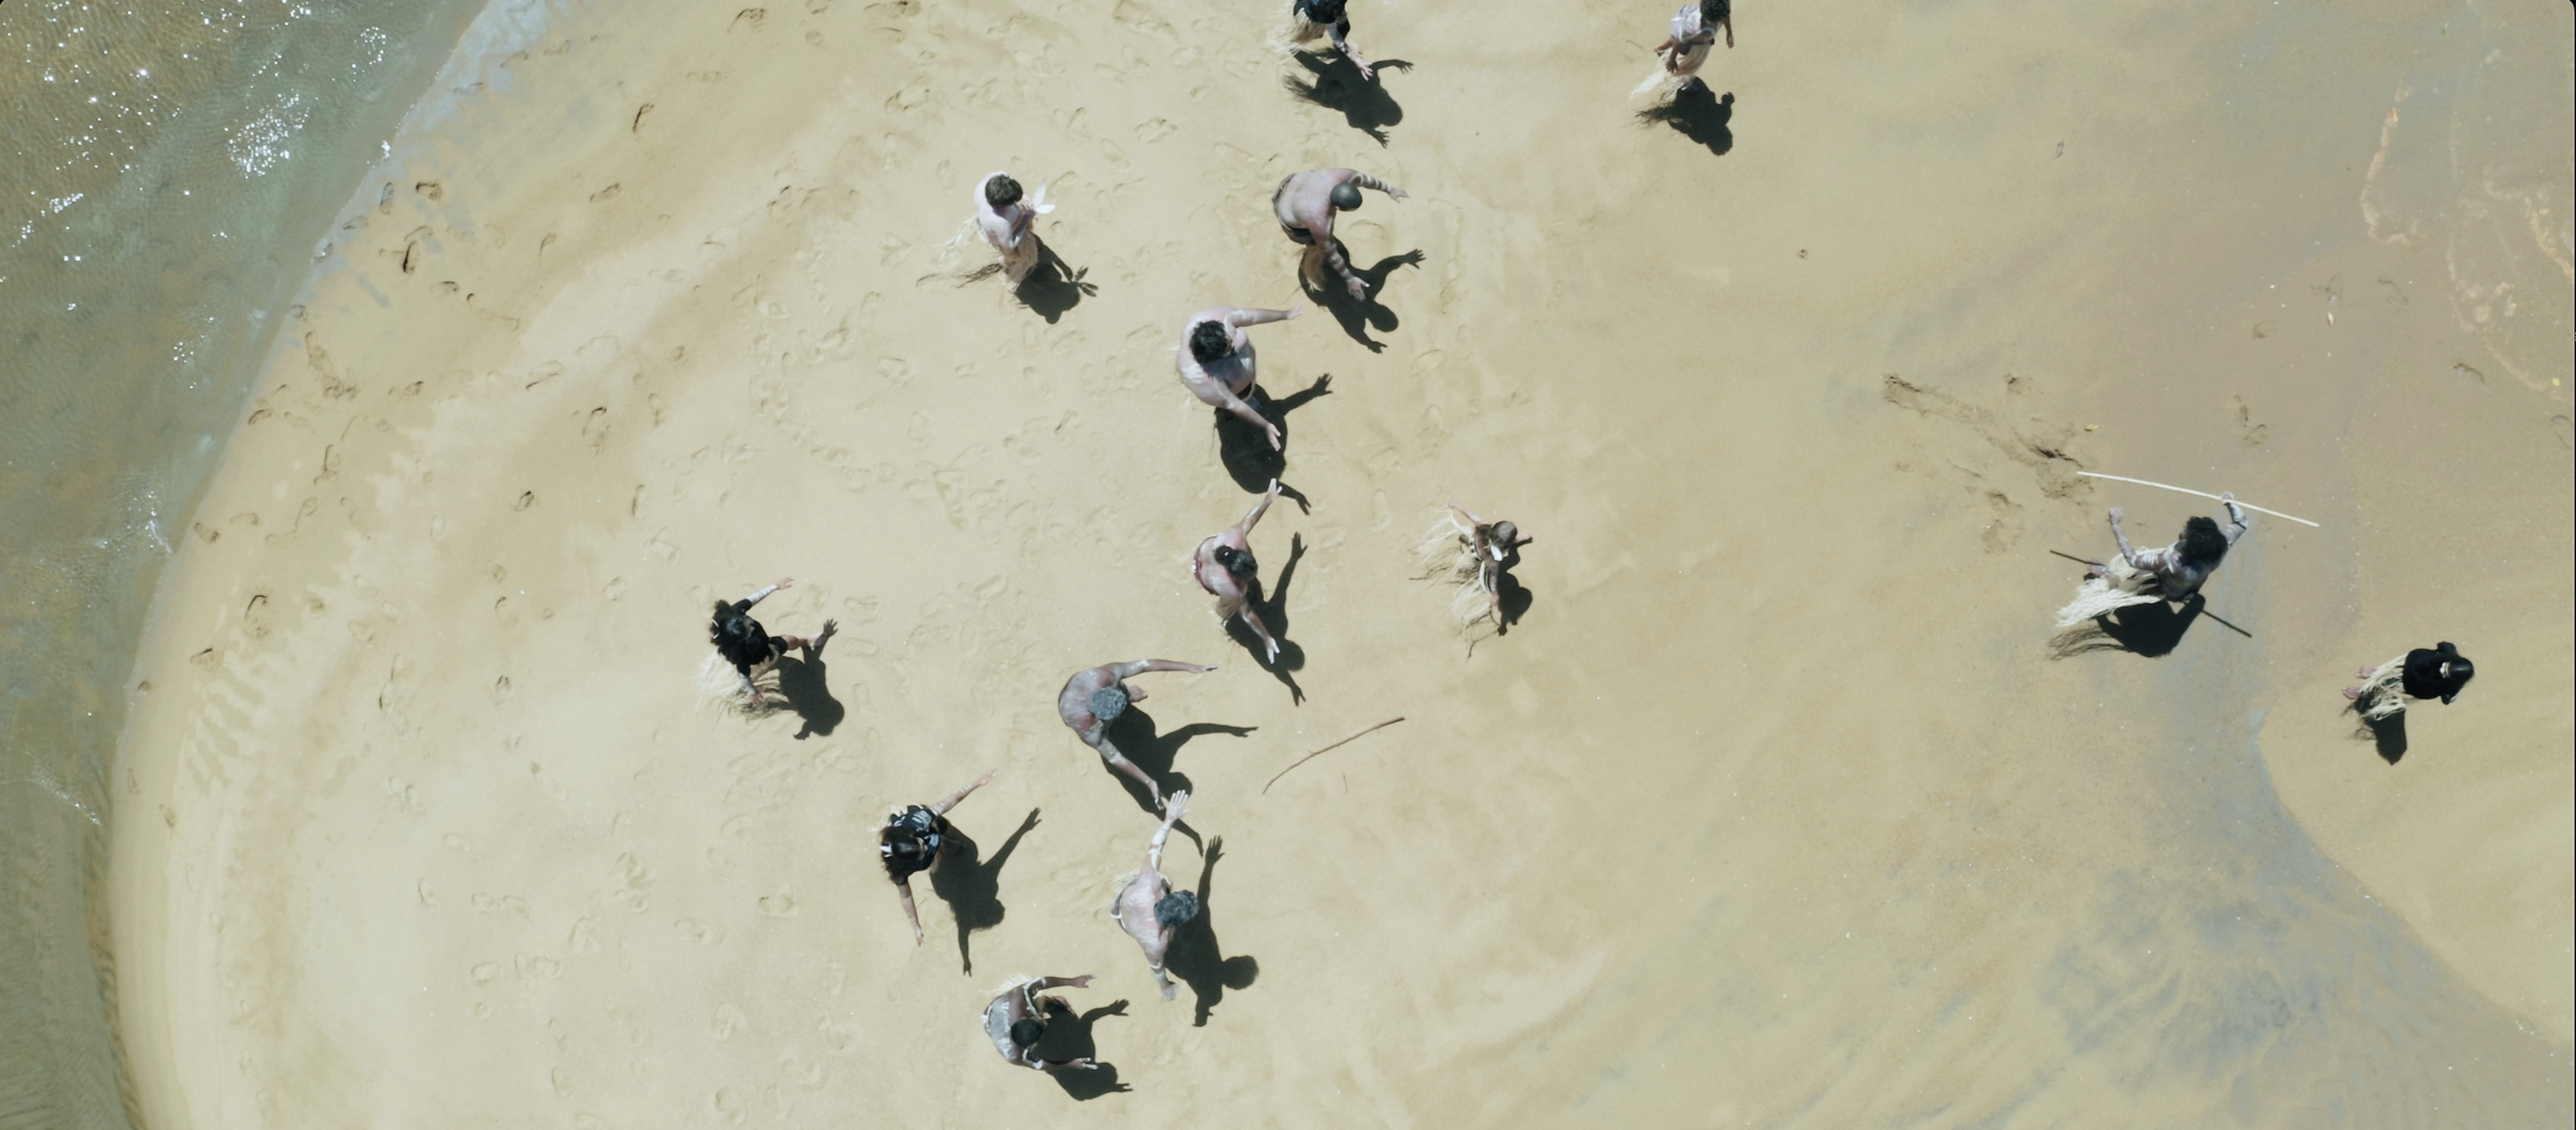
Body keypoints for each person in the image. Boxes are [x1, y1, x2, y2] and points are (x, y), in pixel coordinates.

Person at [1058, 659, 1218, 811]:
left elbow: (1145, 665)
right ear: (1099, 718)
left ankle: (1127, 696)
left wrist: (1191, 667)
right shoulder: (1086, 727)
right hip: (1080, 707)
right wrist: (1149, 782)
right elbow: (1115, 757)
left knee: (1144, 722)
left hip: (1094, 689)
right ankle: (1124, 701)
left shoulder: (1105, 675)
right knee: (1140, 728)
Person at [879, 769, 998, 945]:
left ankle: (948, 842)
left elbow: (950, 801)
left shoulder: (920, 821)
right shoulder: (897, 868)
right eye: (922, 852)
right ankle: (946, 846)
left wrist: (976, 784)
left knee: (942, 828)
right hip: (918, 839)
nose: (926, 847)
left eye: (923, 845)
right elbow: (906, 897)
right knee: (938, 847)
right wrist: (916, 926)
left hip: (923, 827)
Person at [1109, 790, 1198, 1000]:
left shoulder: (1150, 884)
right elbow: (1156, 967)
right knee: (1165, 880)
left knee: (1161, 877)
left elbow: (1156, 846)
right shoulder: (1157, 942)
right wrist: (1164, 986)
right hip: (1130, 921)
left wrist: (1169, 819)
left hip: (1129, 899)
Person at [1178, 304, 1303, 451]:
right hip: (1237, 389)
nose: (1238, 339)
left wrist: (1285, 314)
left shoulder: (1221, 318)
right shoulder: (1208, 380)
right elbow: (1234, 404)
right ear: (1214, 359)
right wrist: (1266, 425)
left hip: (1238, 377)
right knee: (1232, 403)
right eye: (1229, 349)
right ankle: (1240, 402)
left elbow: (1253, 316)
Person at [1273, 167, 1407, 302]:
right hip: (1289, 216)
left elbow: (1365, 179)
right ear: (1337, 208)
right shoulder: (1318, 220)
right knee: (1316, 245)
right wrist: (1350, 280)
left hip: (1292, 183)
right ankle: (1311, 264)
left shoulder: (1340, 176)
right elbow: (1331, 253)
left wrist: (1389, 189)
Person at [2088, 494, 2249, 602]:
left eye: (2187, 534)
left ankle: (2107, 575)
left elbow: (2132, 559)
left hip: (2168, 588)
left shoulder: (2171, 561)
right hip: (2192, 585)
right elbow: (2241, 523)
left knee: (2136, 578)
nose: (2184, 531)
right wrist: (2230, 504)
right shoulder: (2220, 546)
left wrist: (2115, 524)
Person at [1194, 480, 1285, 661]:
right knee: (1227, 608)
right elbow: (1247, 614)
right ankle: (1224, 613)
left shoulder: (1232, 538)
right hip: (1206, 579)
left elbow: (1249, 519)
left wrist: (1268, 500)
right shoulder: (1229, 587)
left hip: (1202, 555)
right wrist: (1267, 638)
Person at [710, 577, 819, 704]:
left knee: (792, 641)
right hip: (762, 652)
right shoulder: (742, 655)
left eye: (747, 623)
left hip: (761, 640)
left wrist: (775, 587)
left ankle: (804, 641)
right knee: (790, 640)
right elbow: (744, 676)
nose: (751, 627)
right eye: (748, 632)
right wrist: (752, 691)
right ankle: (803, 642)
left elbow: (753, 599)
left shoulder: (735, 612)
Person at [982, 975, 1099, 1072]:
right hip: (990, 1022)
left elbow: (1041, 982)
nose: (1046, 1023)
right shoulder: (1012, 1053)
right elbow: (1038, 1065)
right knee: (1036, 1011)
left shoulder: (1016, 999)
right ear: (1024, 1046)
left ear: (1024, 1017)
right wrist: (1070, 1064)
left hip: (998, 1008)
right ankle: (1047, 1007)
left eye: (1041, 1022)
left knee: (1037, 1004)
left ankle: (1052, 1002)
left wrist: (1073, 981)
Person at [2345, 641, 2476, 721]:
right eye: (2445, 666)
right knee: (2391, 669)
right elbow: (2445, 645)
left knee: (2388, 686)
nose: (2441, 670)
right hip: (2412, 663)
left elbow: (2448, 698)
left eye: (2445, 673)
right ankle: (2377, 671)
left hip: (2414, 685)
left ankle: (2364, 693)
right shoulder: (2448, 652)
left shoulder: (2453, 687)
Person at [1449, 501, 1533, 624]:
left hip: (1475, 540)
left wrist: (1457, 505)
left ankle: (1467, 540)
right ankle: (1472, 567)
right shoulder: (1496, 556)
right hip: (1477, 557)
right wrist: (1494, 594)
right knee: (1514, 560)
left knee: (1507, 554)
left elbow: (1470, 515)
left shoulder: (1486, 527)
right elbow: (1493, 577)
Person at [974, 171, 1051, 286]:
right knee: (1013, 257)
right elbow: (1009, 247)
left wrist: (1024, 195)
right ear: (1002, 206)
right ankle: (1005, 263)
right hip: (1006, 235)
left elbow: (1008, 178)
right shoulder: (1000, 222)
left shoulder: (990, 181)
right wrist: (1024, 220)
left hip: (1011, 220)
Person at [1651, 0, 1733, 88]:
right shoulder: (1696, 29)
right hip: (1689, 40)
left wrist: (1729, 32)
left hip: (1686, 25)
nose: (1724, 17)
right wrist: (1672, 60)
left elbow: (1726, 16)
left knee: (1676, 37)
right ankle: (1685, 82)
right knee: (1689, 64)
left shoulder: (1721, 10)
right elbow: (1679, 42)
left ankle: (1661, 48)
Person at [1287, 0, 1376, 81]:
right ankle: (1292, 41)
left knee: (1344, 27)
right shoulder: (1328, 11)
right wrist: (1356, 59)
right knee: (1314, 35)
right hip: (1309, 17)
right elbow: (1335, 35)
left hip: (1312, 7)